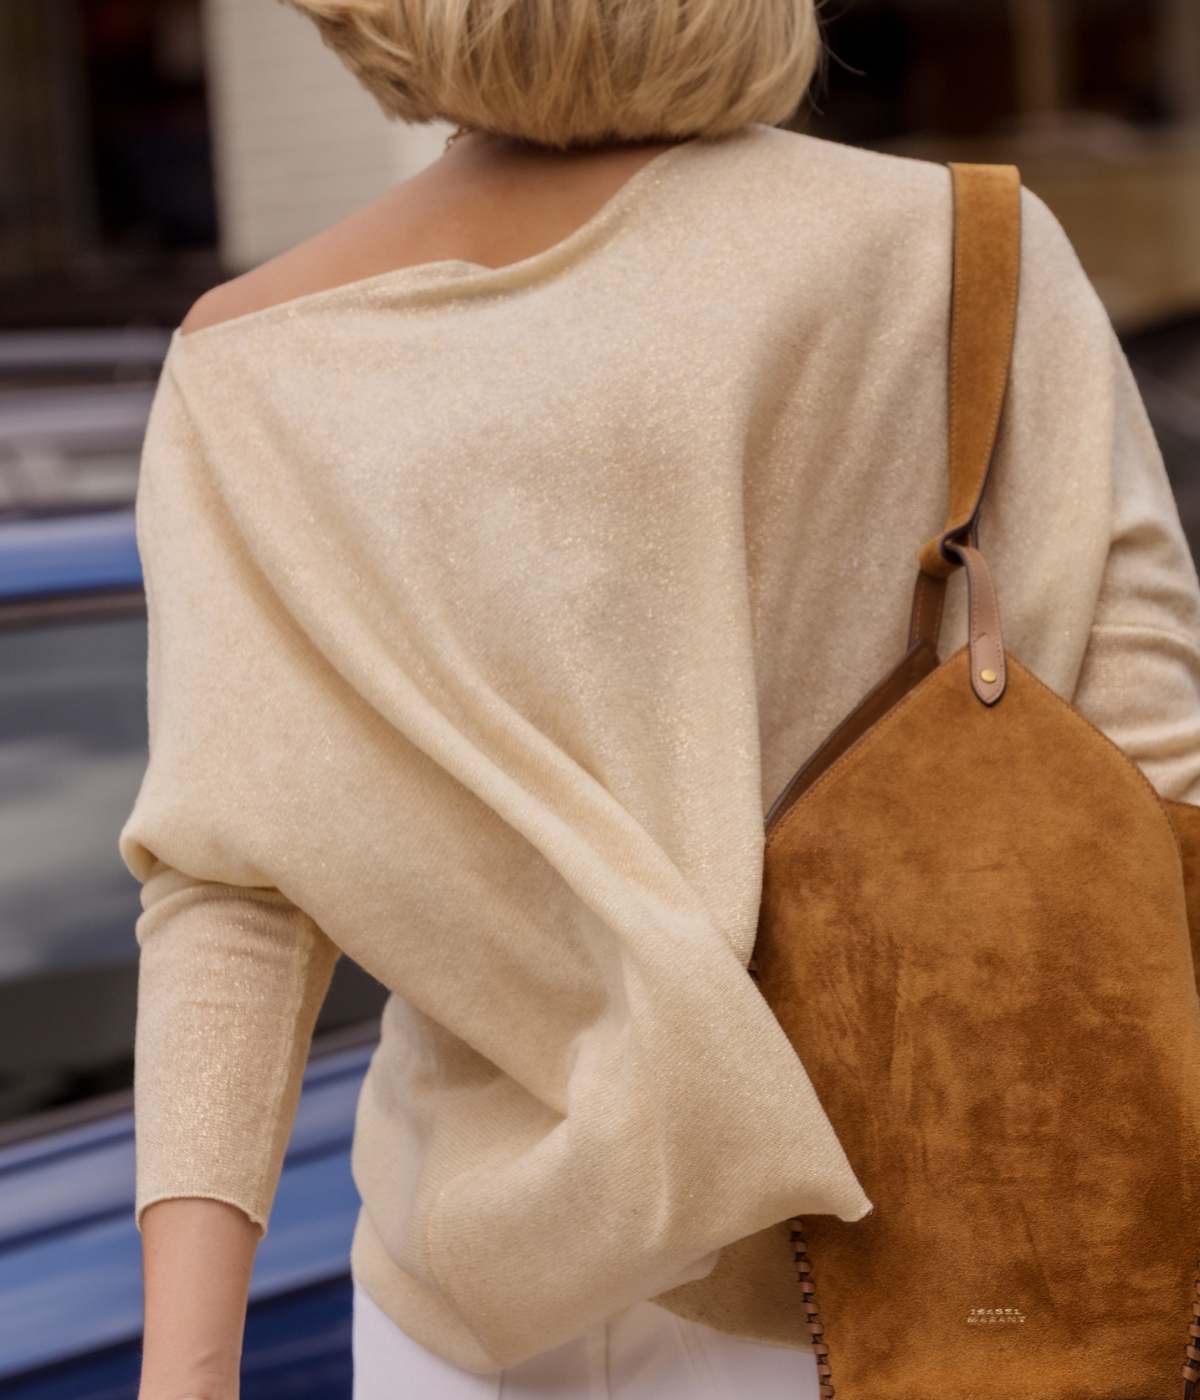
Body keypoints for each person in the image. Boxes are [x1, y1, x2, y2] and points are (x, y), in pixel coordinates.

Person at [126, 0, 1200, 1396]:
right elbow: (1151, 775)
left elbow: (232, 897)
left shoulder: (251, 358)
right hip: (904, 1265)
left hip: (468, 1302)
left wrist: (188, 1366)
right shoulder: (956, 247)